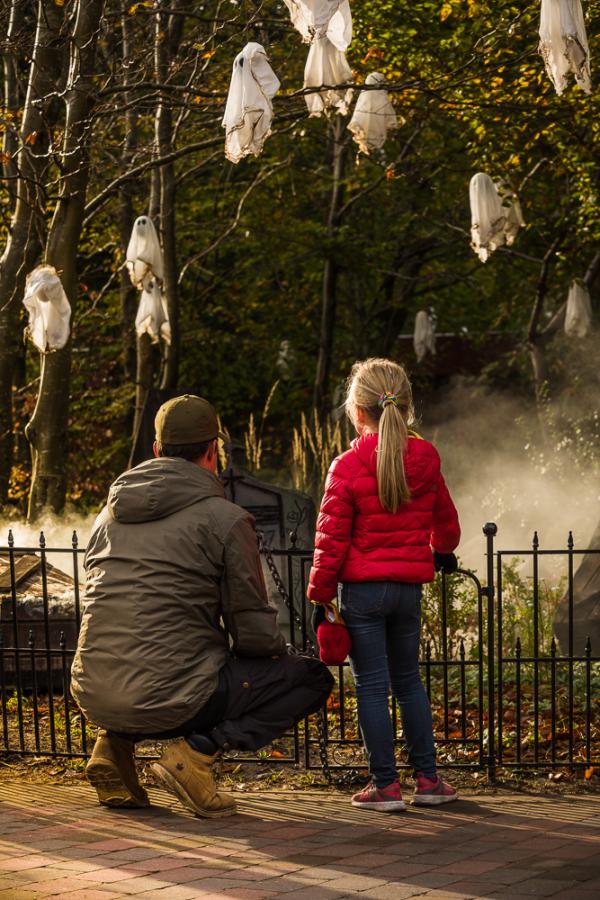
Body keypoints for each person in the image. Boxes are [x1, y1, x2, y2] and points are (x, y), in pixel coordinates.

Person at [71, 394, 333, 818]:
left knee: (145, 658)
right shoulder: (224, 519)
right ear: (213, 451)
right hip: (173, 697)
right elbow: (251, 629)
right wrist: (271, 656)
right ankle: (194, 755)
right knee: (311, 679)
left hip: (95, 691)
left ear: (157, 449)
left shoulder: (106, 517)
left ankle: (113, 747)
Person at [307, 359, 461, 812]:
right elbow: (447, 528)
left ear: (357, 411)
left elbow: (330, 541)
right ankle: (429, 781)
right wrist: (439, 549)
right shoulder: (425, 457)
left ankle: (386, 787)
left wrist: (321, 597)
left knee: (372, 687)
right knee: (409, 683)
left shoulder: (347, 465)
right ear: (406, 407)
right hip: (407, 590)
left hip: (362, 594)